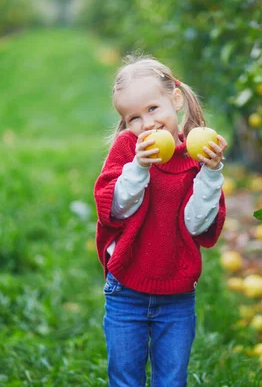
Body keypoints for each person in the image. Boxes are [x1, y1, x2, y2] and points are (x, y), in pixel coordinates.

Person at [93, 54, 227, 387]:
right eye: (133, 118)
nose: (147, 124)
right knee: (125, 378)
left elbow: (196, 225)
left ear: (176, 99)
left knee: (172, 379)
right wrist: (139, 167)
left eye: (153, 109)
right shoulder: (129, 149)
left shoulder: (198, 154)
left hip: (177, 296)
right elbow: (115, 208)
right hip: (126, 290)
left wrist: (211, 173)